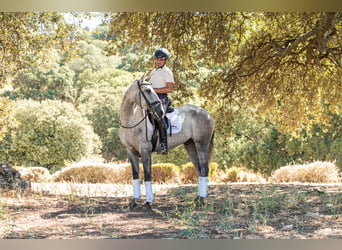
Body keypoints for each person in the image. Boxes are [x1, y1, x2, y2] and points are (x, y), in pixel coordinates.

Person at [148, 48, 174, 154]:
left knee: (159, 115)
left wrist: (154, 90)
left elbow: (169, 89)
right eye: (157, 59)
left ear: (165, 61)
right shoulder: (153, 72)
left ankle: (163, 144)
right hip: (151, 97)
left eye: (161, 60)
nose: (158, 61)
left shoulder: (167, 72)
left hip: (162, 97)